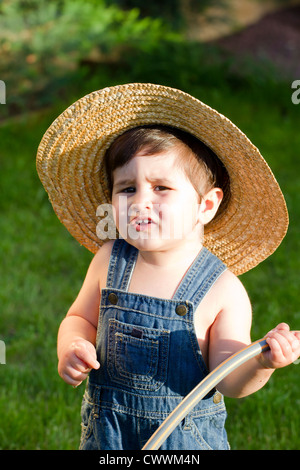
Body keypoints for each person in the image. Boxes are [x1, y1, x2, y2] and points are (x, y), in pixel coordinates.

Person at [36, 83, 300, 450]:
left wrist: (262, 364)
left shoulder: (222, 290)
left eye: (161, 187)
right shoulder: (108, 259)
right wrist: (72, 345)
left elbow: (229, 378)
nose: (141, 201)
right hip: (108, 436)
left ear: (206, 206)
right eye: (127, 189)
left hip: (183, 442)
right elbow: (79, 318)